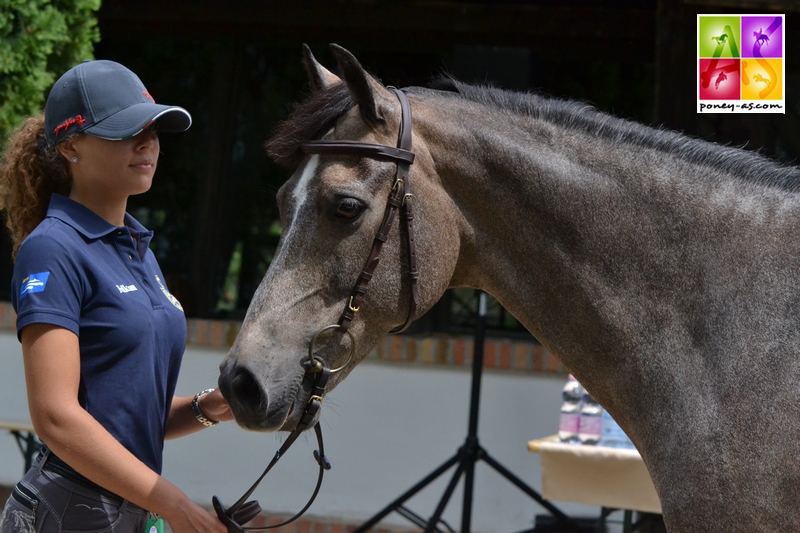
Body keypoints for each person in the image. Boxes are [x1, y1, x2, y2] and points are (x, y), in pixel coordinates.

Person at [0, 60, 231, 533]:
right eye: (126, 131)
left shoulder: (138, 250)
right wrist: (173, 504)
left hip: (125, 511)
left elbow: (122, 413)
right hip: (69, 511)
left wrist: (208, 407)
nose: (146, 143)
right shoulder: (53, 247)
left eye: (153, 129)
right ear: (70, 146)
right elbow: (56, 418)